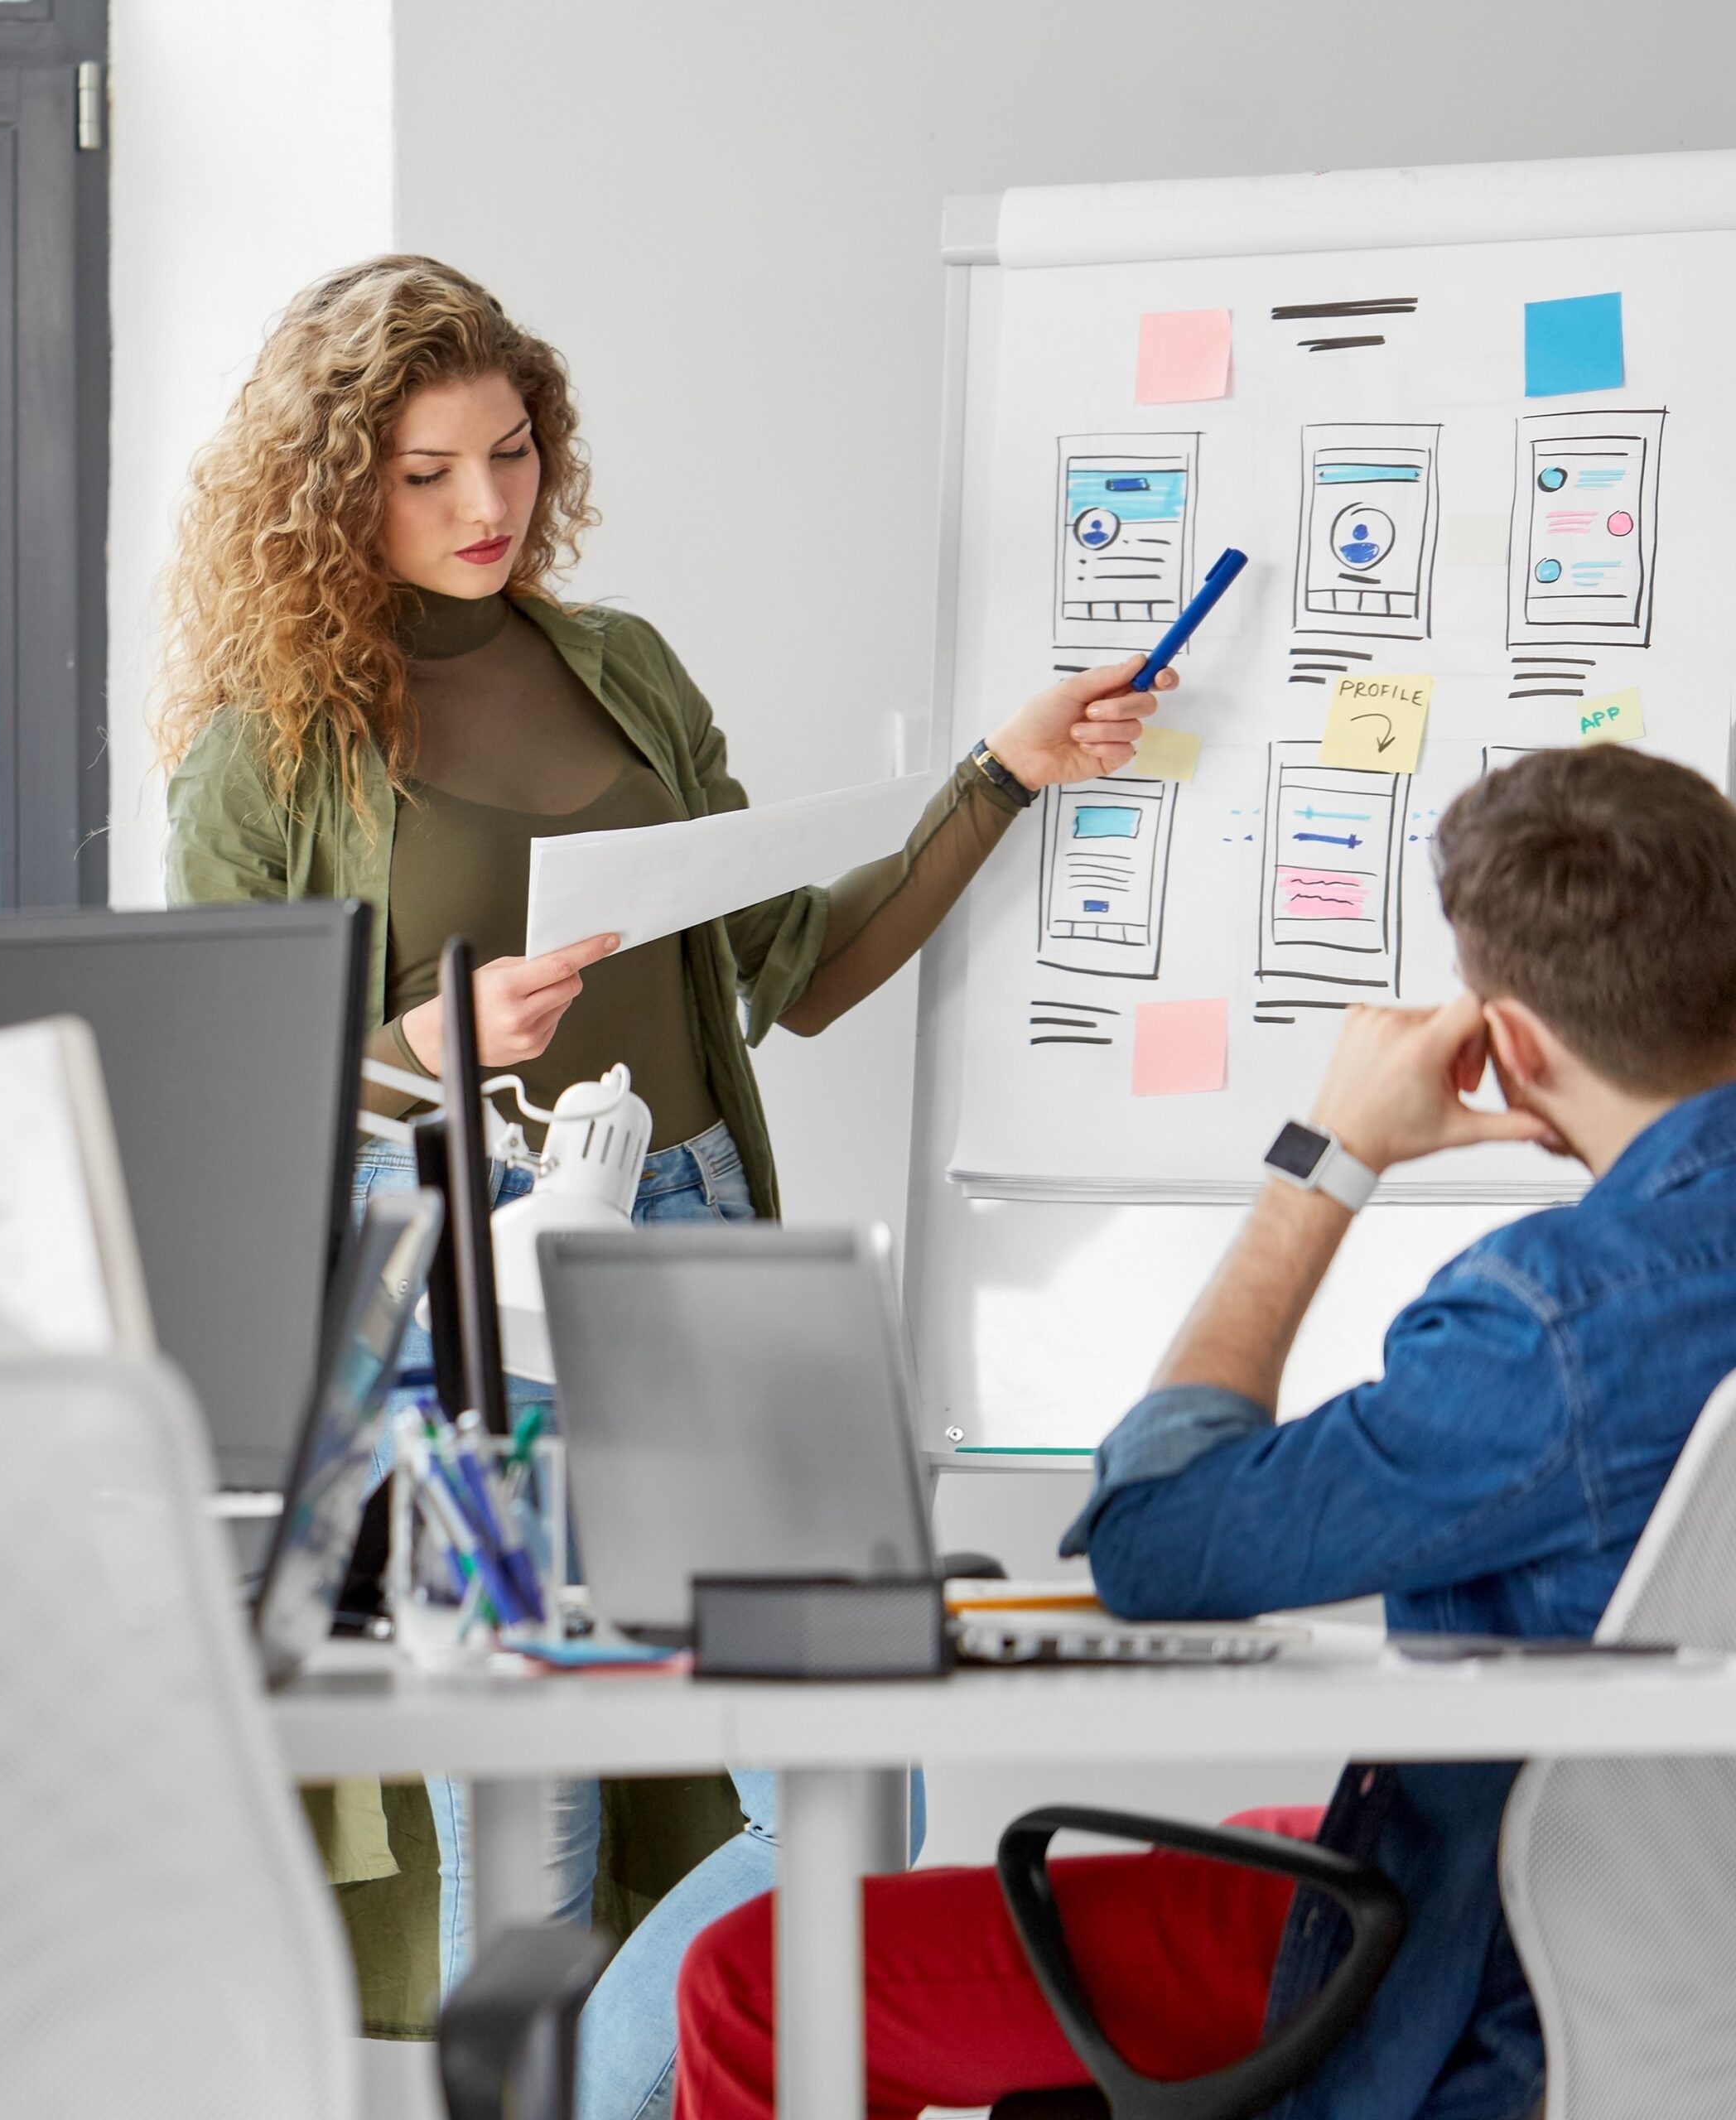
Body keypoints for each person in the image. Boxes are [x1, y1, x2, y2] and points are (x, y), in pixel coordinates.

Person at [155, 256, 1174, 2092]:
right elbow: (223, 1096)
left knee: (851, 1789)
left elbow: (801, 965)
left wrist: (999, 777)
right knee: (525, 1825)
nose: (486, 507)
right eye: (427, 472)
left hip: (702, 1242)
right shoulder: (269, 749)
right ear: (333, 488)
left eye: (512, 453)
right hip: (473, 1291)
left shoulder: (619, 669)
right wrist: (425, 1042)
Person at [674, 744, 1736, 2120]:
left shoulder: (1558, 1322)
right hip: (1681, 1955)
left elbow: (1156, 1543)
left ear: (1511, 1047)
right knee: (1257, 1844)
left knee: (757, 1982)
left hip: (1504, 1980)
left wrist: (1325, 1159)